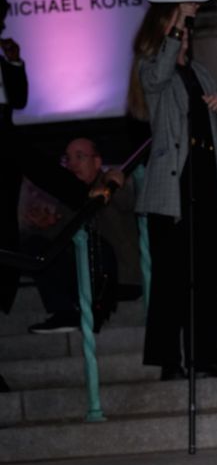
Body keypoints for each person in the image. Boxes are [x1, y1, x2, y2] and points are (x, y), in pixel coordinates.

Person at [129, 2, 217, 380]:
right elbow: (157, 77)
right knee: (171, 279)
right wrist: (178, 15)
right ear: (163, 33)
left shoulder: (200, 73)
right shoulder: (153, 70)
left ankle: (205, 356)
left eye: (188, 29)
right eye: (180, 29)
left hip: (209, 181)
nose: (186, 35)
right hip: (173, 189)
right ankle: (169, 361)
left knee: (211, 278)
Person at [25, 137, 134, 334]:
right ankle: (64, 313)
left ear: (97, 162)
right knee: (36, 243)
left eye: (79, 157)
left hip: (118, 278)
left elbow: (129, 202)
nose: (72, 164)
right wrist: (44, 226)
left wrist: (112, 184)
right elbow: (62, 240)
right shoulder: (69, 194)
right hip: (87, 275)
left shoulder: (112, 183)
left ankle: (82, 311)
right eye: (67, 159)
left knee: (91, 243)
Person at [0, 0, 28, 320]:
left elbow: (19, 101)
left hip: (7, 144)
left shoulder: (4, 59)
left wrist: (16, 62)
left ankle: (6, 289)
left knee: (7, 219)